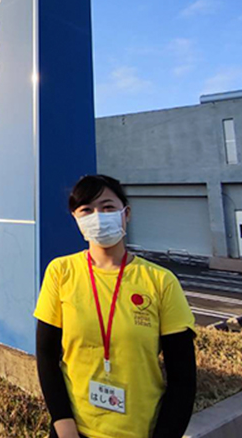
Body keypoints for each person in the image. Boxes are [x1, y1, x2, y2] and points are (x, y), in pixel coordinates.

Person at [34, 174, 197, 438]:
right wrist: (64, 426)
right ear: (76, 218)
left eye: (108, 207)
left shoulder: (160, 281)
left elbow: (183, 379)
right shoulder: (60, 272)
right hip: (73, 432)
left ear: (126, 213)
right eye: (87, 209)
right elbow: (47, 355)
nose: (98, 216)